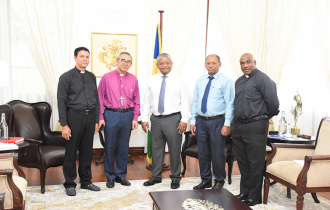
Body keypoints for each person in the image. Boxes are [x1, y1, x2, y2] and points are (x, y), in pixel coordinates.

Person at [232, 53, 279, 206]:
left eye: (248, 62)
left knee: (255, 163)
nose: (245, 65)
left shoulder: (263, 80)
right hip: (239, 126)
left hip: (256, 127)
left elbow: (273, 105)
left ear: (254, 62)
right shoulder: (238, 81)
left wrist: (261, 118)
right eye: (242, 63)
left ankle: (254, 196)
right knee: (243, 162)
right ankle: (245, 192)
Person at [141, 53, 191, 189]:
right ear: (157, 65)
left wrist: (184, 120)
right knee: (156, 149)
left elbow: (186, 101)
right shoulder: (151, 80)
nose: (165, 65)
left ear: (171, 63)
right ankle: (156, 177)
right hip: (155, 119)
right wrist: (144, 118)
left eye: (167, 62)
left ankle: (175, 177)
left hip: (174, 119)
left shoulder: (179, 80)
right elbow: (146, 101)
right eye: (162, 63)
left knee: (175, 150)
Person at [57, 47, 100, 196]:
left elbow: (96, 100)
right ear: (75, 58)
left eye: (87, 57)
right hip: (73, 118)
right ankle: (69, 183)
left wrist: (96, 120)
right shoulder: (66, 77)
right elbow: (61, 102)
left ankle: (86, 181)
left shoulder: (92, 76)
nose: (85, 59)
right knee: (71, 152)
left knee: (87, 152)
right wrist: (64, 125)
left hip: (89, 118)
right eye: (82, 56)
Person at [190, 54, 234, 190]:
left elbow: (230, 104)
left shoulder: (226, 81)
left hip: (217, 121)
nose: (211, 65)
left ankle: (219, 180)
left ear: (219, 64)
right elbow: (195, 101)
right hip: (201, 121)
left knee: (217, 152)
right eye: (208, 63)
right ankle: (206, 180)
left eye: (214, 63)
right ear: (205, 64)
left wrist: (227, 124)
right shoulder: (200, 80)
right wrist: (193, 120)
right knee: (202, 152)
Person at [98, 51, 140, 188]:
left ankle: (121, 175)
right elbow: (99, 98)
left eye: (128, 61)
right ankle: (110, 176)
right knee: (110, 146)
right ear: (116, 61)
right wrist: (100, 117)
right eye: (122, 60)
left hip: (127, 115)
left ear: (131, 64)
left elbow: (137, 100)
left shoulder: (134, 79)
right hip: (111, 115)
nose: (125, 63)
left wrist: (135, 117)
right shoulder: (106, 77)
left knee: (123, 147)